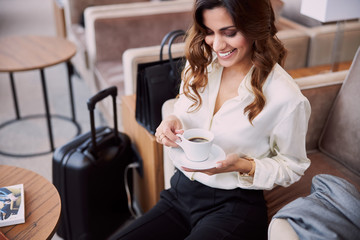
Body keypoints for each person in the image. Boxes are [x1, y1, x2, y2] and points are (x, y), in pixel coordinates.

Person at [112, 0, 310, 239]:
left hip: (234, 206)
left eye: (229, 33)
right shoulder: (200, 66)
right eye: (209, 32)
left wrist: (245, 166)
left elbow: (293, 165)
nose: (217, 44)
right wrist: (172, 120)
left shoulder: (286, 97)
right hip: (180, 193)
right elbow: (183, 106)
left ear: (256, 27)